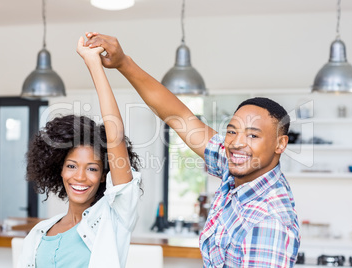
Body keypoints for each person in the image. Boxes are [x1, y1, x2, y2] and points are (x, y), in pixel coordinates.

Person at [85, 32, 300, 267]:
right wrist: (123, 62)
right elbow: (180, 118)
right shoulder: (237, 168)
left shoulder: (269, 220)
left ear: (281, 144)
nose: (237, 142)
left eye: (253, 135)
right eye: (232, 131)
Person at [17, 36, 142, 268]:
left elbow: (115, 134)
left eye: (92, 168)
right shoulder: (39, 234)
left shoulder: (113, 219)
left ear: (104, 174)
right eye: (72, 165)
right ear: (60, 169)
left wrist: (93, 64)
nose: (80, 177)